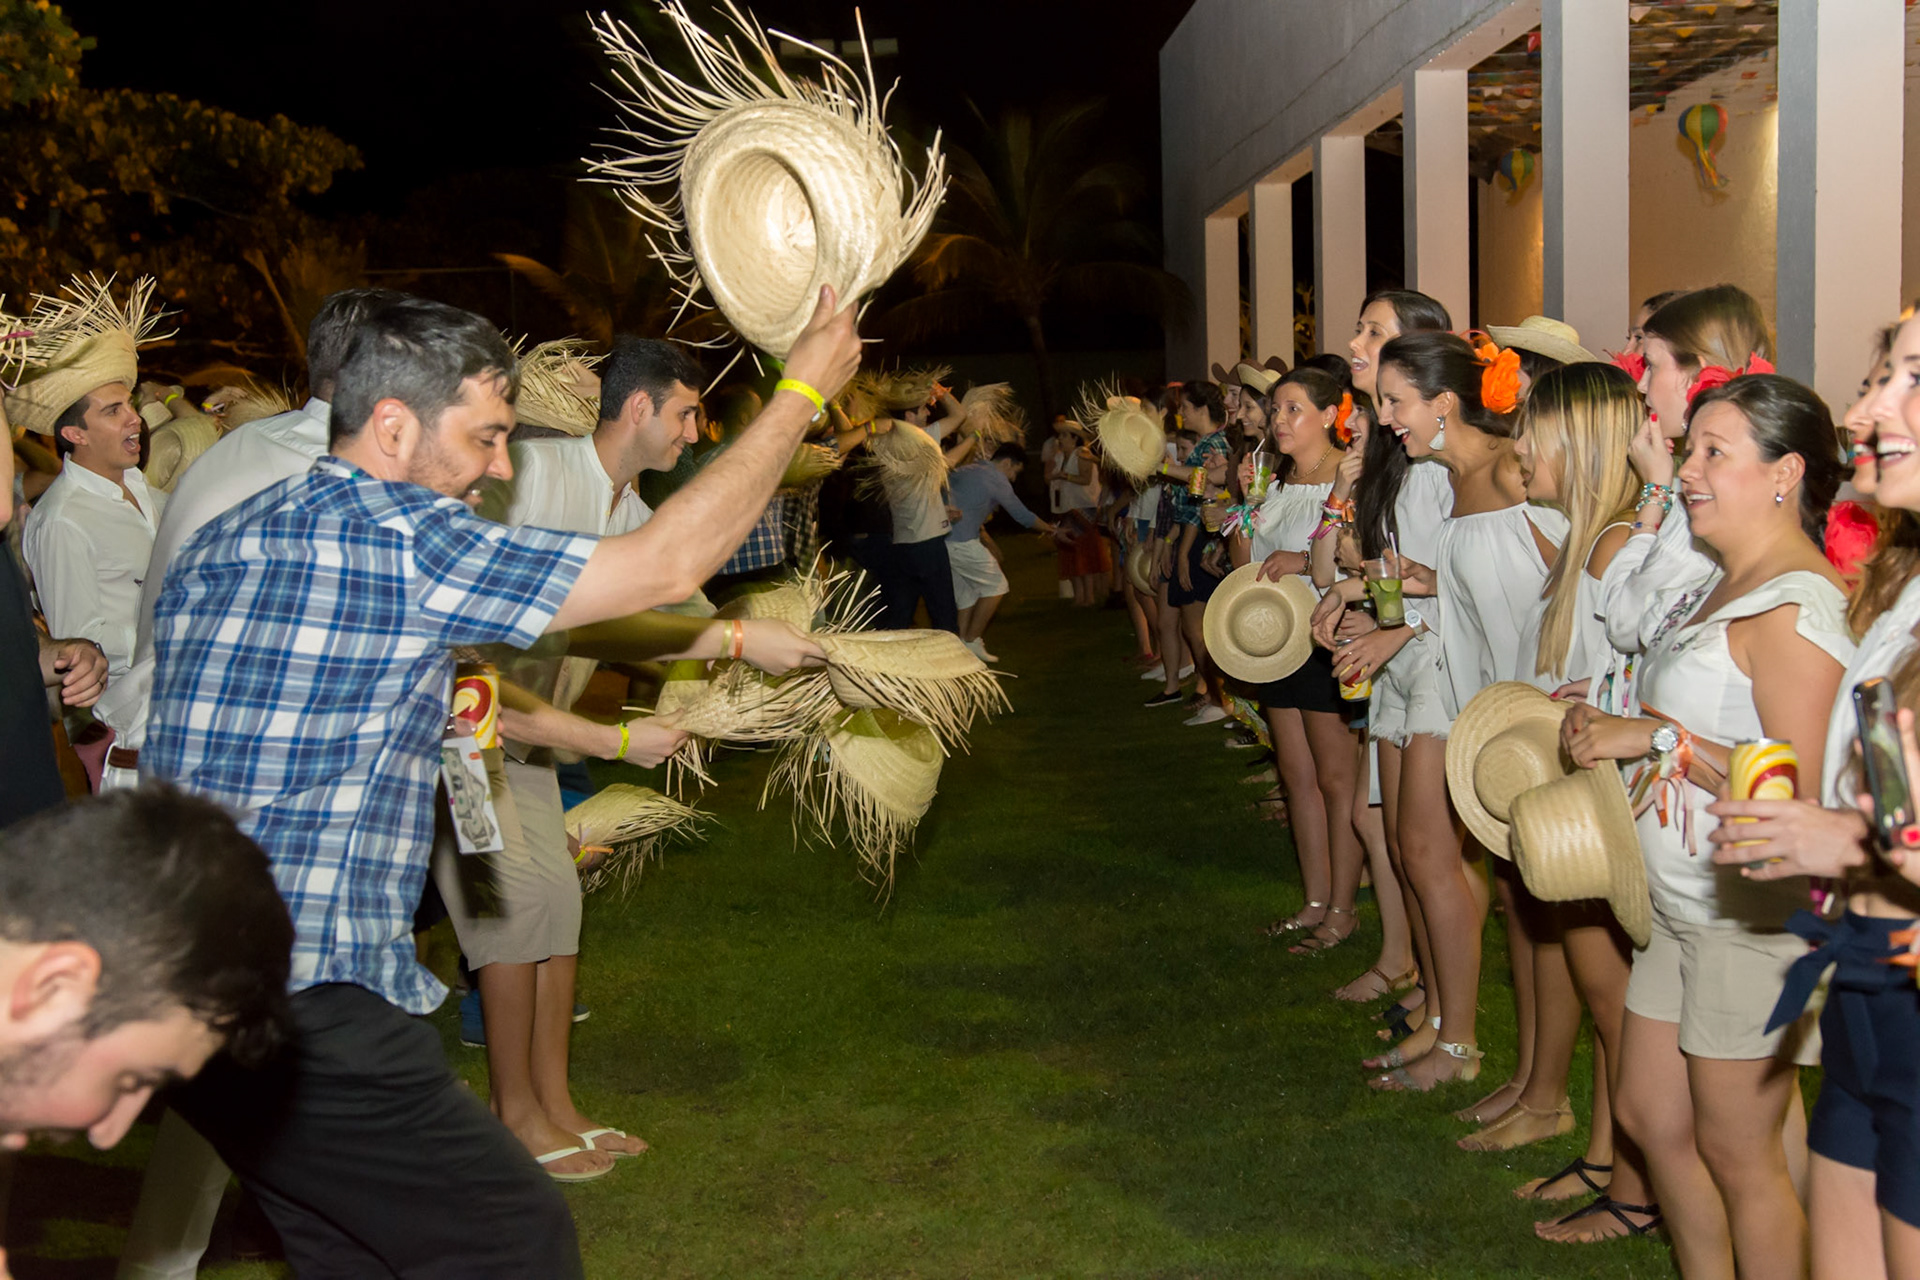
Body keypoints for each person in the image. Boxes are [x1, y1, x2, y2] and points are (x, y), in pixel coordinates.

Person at [144, 287, 861, 1277]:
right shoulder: (400, 542)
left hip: (187, 984)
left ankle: (537, 1107)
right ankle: (524, 1112)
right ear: (393, 426)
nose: (503, 465)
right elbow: (664, 567)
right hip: (303, 995)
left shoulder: (242, 530)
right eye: (485, 437)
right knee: (513, 1233)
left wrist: (650, 698)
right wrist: (801, 393)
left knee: (353, 1251)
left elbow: (445, 692)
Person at [465, 337, 820, 1181]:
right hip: (463, 735)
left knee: (558, 908)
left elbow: (673, 631)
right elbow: (473, 642)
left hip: (534, 737)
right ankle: (513, 1117)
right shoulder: (534, 476)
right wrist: (625, 735)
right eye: (686, 415)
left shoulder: (628, 515)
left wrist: (784, 669)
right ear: (637, 408)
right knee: (513, 914)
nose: (694, 434)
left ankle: (555, 1104)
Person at [112, 287, 398, 1280]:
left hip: (206, 773)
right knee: (251, 1038)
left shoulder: (251, 452)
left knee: (268, 1039)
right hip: (229, 788)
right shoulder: (305, 472)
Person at [1562, 373, 1848, 1277]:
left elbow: (1803, 792)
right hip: (1684, 906)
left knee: (1740, 1154)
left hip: (1750, 920)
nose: (1686, 470)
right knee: (1652, 1116)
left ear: (1785, 473)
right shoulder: (1728, 583)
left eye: (1713, 453)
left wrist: (1659, 740)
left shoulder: (1796, 608)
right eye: (1690, 450)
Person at [1697, 311, 1920, 1280]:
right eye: (1879, 379)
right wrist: (1841, 833)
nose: (1867, 410)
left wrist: (1855, 844)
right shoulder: (1902, 591)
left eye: (1912, 380)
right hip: (1870, 976)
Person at [1337, 331, 1567, 1093]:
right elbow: (1478, 579)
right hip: (1475, 699)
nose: (1385, 419)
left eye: (1396, 402)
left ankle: (1471, 1051)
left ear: (1444, 401)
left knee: (1495, 885)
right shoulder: (1458, 476)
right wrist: (1422, 580)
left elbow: (1573, 574)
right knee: (1478, 877)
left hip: (1524, 708)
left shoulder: (1511, 469)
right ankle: (1461, 1040)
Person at [1497, 362, 1660, 1239]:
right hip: (1584, 791)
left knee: (1615, 1000)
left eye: (1535, 431)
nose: (1519, 445)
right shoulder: (1587, 540)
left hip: (1607, 803)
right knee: (1608, 1000)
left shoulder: (1612, 546)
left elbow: (1642, 672)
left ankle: (1636, 1189)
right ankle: (1606, 1157)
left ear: (1582, 445)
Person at [1234, 369, 1360, 952]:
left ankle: (1343, 907)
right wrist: (1248, 504)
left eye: (1293, 409)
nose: (1279, 420)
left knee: (1336, 779)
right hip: (1277, 640)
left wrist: (1302, 560)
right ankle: (1314, 899)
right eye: (1276, 409)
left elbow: (1358, 559)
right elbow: (1244, 563)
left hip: (1324, 636)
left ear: (1330, 415)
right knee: (1297, 775)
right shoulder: (1277, 481)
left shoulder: (1347, 477)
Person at [15, 353, 164, 792]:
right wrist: (174, 628)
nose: (135, 418)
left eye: (130, 404)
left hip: (173, 708)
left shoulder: (148, 492)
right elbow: (77, 641)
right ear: (75, 434)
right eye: (113, 411)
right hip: (126, 731)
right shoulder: (63, 519)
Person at [1147, 380, 1230, 723]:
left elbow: (1203, 488)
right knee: (1194, 629)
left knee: (1200, 630)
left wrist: (1163, 467)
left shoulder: (1215, 442)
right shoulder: (1209, 442)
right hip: (1193, 535)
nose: (1181, 414)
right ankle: (1215, 695)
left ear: (1201, 409)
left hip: (1203, 537)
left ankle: (1221, 699)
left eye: (1185, 408)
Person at [945, 441, 1058, 661]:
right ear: (1007, 463)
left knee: (967, 594)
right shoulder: (996, 479)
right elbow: (1023, 516)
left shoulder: (967, 469)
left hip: (944, 539)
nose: (1013, 478)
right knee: (996, 586)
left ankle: (960, 648)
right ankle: (972, 640)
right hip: (961, 542)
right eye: (1015, 471)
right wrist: (1052, 530)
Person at [1045, 417, 1110, 606]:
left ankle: (1088, 595)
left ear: (1075, 439)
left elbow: (1085, 478)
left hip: (1083, 508)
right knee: (1070, 552)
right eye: (1060, 435)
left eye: (1064, 435)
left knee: (1083, 552)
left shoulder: (1082, 453)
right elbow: (1048, 478)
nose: (1060, 439)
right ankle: (1079, 595)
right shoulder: (1059, 457)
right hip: (1065, 508)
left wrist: (1064, 475)